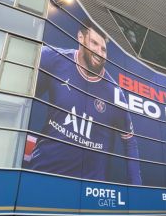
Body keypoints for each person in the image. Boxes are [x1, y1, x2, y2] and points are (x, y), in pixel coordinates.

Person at [25, 19, 142, 184]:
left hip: (88, 190)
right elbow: (22, 99)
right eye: (94, 43)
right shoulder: (52, 58)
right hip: (43, 176)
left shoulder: (115, 94)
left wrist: (135, 187)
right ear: (81, 37)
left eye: (103, 49)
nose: (99, 52)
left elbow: (129, 142)